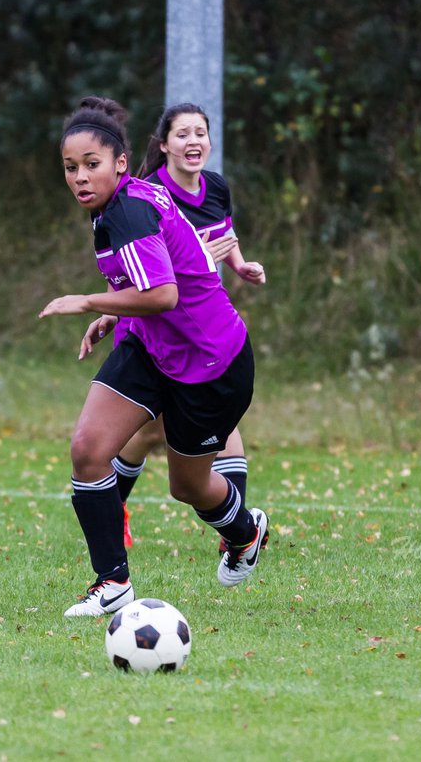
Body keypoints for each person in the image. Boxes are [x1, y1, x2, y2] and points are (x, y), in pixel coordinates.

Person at [40, 96, 269, 617]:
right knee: (88, 448)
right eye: (70, 168)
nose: (79, 177)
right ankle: (113, 582)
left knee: (188, 487)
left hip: (211, 363)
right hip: (151, 347)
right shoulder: (121, 204)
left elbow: (164, 293)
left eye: (91, 165)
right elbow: (152, 280)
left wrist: (90, 301)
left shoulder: (130, 208)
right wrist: (116, 314)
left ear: (120, 163)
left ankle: (246, 530)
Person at [87, 103, 266, 552]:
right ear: (163, 145)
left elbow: (223, 236)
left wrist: (239, 265)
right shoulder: (147, 194)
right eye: (182, 134)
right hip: (150, 328)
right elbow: (152, 271)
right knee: (144, 430)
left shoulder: (216, 188)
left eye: (200, 133)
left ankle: (237, 534)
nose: (193, 142)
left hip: (199, 328)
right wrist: (110, 310)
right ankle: (117, 520)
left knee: (204, 435)